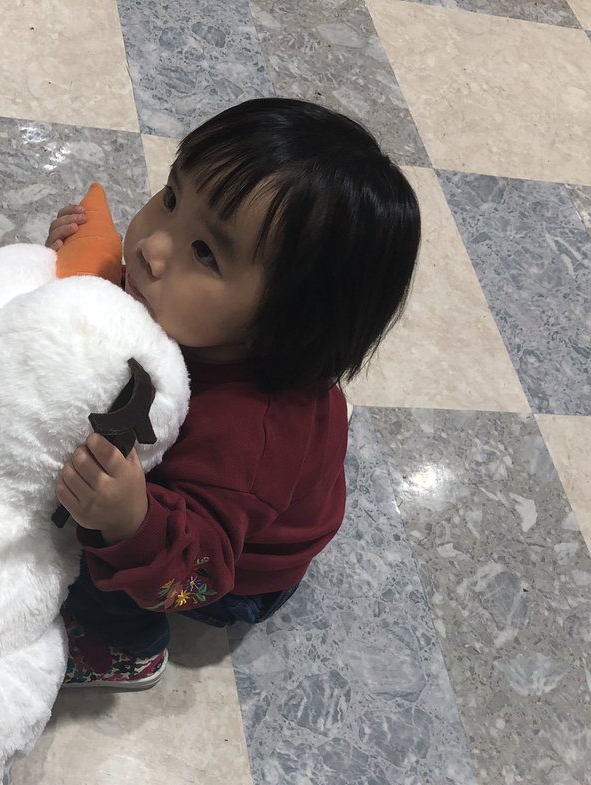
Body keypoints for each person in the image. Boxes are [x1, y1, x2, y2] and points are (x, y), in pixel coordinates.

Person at [47, 97, 421, 689]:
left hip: (231, 571)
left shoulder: (245, 441)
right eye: (172, 197)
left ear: (283, 324)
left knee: (93, 556)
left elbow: (194, 575)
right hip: (240, 497)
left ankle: (128, 650)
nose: (151, 247)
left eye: (204, 252)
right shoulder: (189, 310)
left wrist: (130, 521)